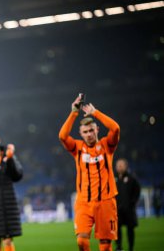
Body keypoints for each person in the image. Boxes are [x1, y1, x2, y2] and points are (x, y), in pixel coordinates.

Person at [59, 95, 120, 251]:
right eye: (85, 132)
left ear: (97, 130)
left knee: (105, 246)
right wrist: (74, 112)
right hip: (83, 202)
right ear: (80, 133)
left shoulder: (107, 145)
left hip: (106, 201)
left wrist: (95, 113)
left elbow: (115, 129)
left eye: (91, 130)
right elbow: (62, 136)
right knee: (81, 241)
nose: (89, 134)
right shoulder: (77, 148)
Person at [115, 158, 141, 251]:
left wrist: (133, 202)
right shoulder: (114, 179)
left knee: (130, 229)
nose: (119, 167)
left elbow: (137, 191)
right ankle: (119, 246)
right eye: (118, 165)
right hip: (117, 209)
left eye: (121, 165)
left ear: (126, 166)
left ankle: (131, 247)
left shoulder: (132, 179)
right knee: (116, 229)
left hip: (129, 209)